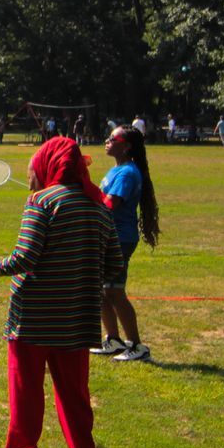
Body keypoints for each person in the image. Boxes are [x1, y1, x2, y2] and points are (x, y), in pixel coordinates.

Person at [0, 136, 122, 448]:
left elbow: (24, 258)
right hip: (77, 319)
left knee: (26, 395)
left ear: (47, 165)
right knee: (76, 398)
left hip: (32, 319)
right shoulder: (98, 206)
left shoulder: (42, 202)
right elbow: (114, 266)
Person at [94, 125, 161, 362]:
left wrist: (83, 200)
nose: (107, 140)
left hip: (119, 238)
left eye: (113, 138)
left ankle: (137, 346)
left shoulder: (127, 173)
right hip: (108, 236)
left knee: (114, 291)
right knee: (101, 290)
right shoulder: (117, 170)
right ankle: (113, 340)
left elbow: (111, 204)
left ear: (127, 145)